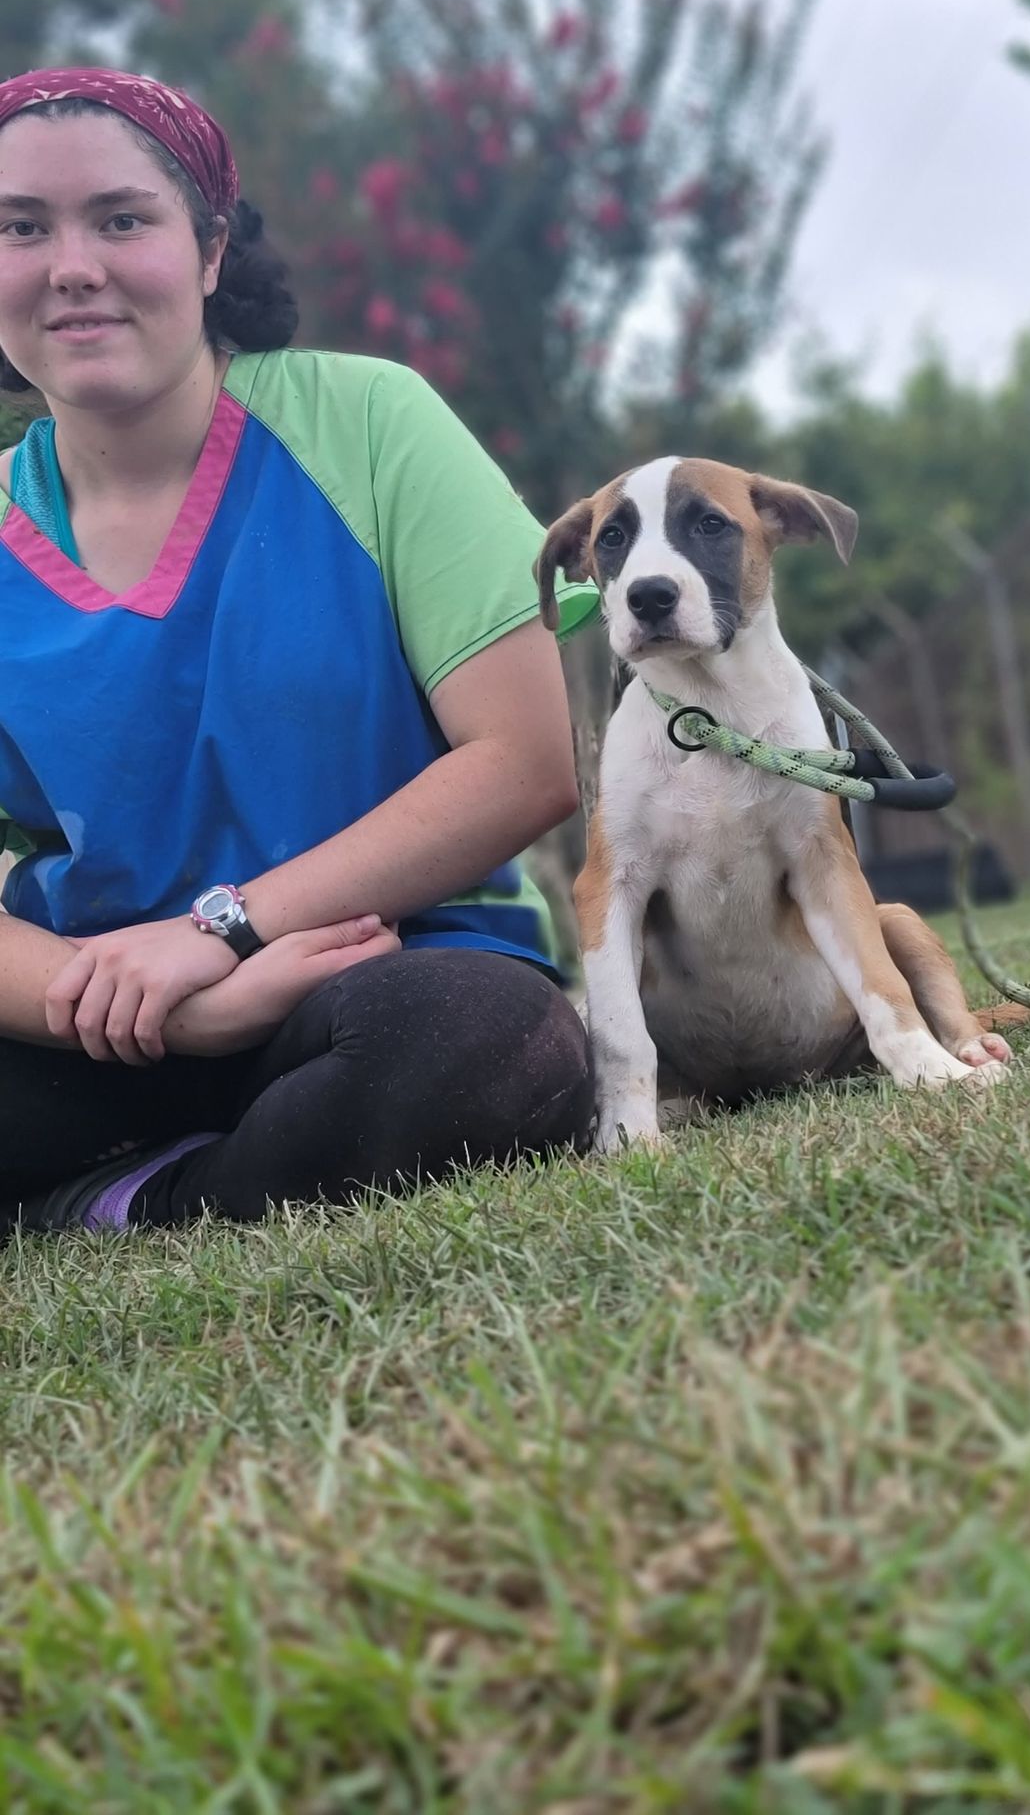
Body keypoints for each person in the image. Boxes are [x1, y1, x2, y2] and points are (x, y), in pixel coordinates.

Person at [0, 67, 599, 1235]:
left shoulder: (372, 422)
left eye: (123, 219)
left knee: (481, 1048)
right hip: (104, 1014)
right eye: (21, 228)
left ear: (211, 249)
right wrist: (156, 1006)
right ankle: (190, 1178)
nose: (73, 266)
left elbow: (525, 760)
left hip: (371, 976)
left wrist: (222, 930)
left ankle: (131, 1199)